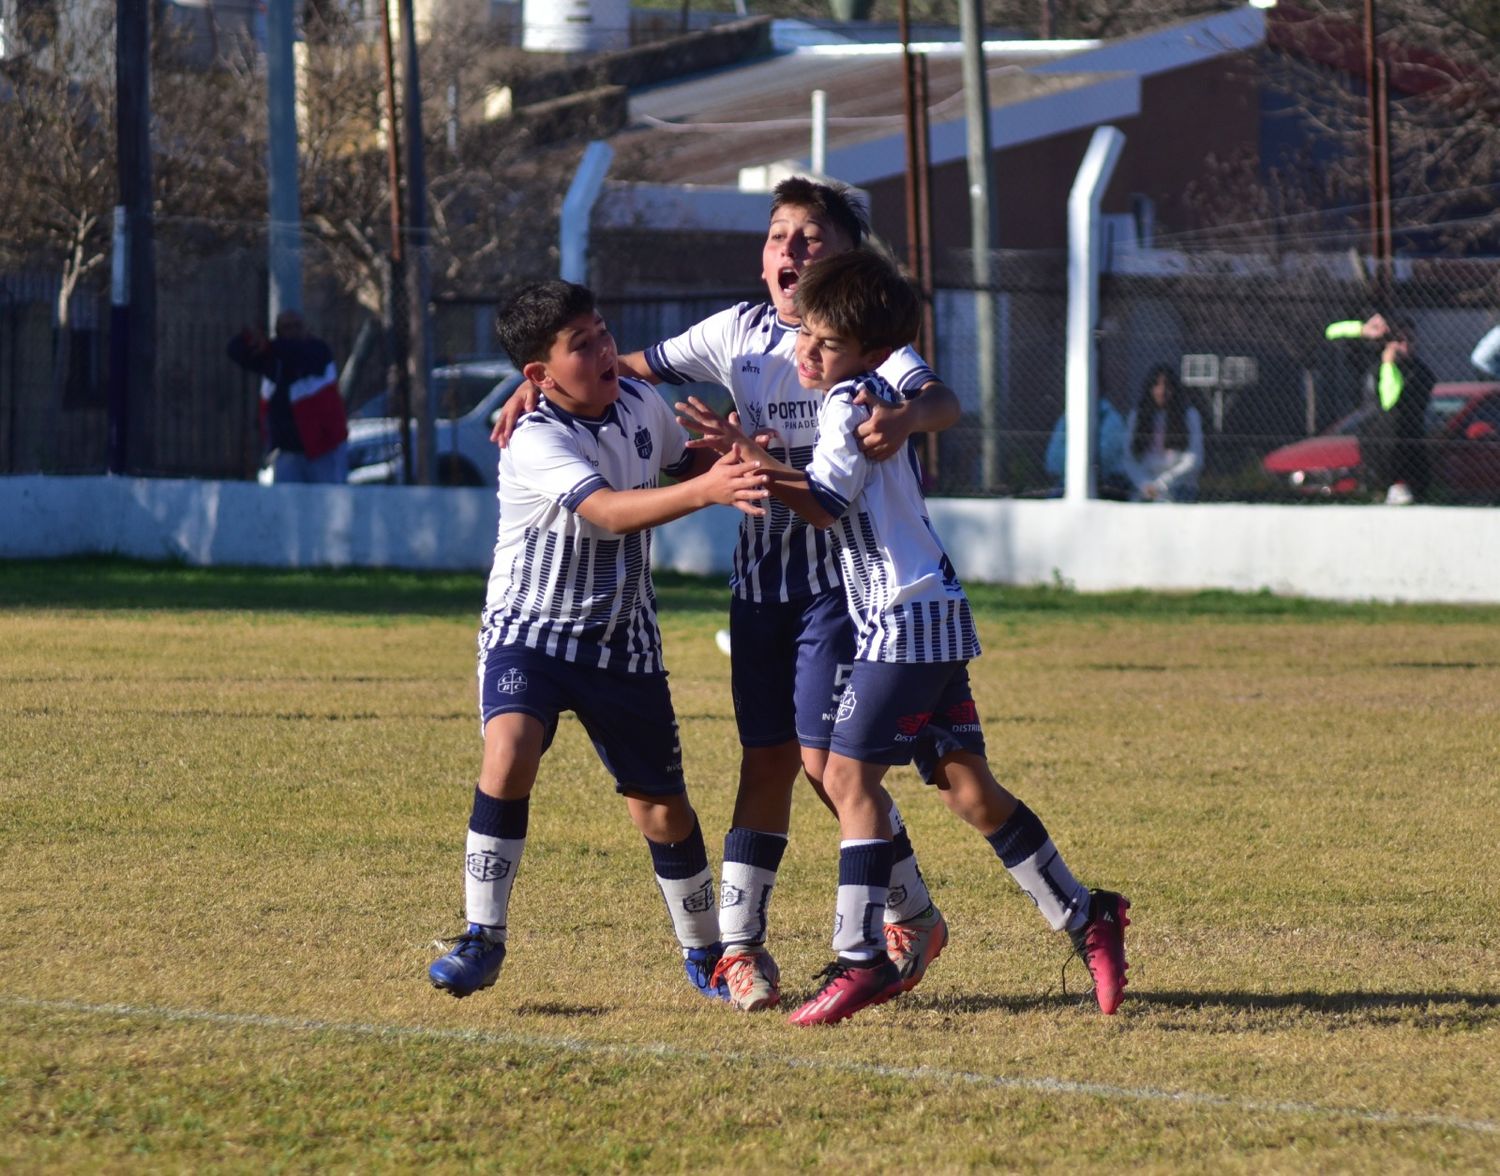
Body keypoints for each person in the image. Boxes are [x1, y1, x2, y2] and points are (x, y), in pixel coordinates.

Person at [493, 178, 962, 1013]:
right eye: (779, 235)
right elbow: (626, 367)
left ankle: (906, 917)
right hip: (760, 586)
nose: (791, 250)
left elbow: (938, 397)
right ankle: (744, 949)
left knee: (827, 768)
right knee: (769, 760)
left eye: (812, 237)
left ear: (847, 260)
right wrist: (540, 385)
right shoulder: (734, 333)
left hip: (840, 587)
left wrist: (909, 420)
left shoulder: (865, 340)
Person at [705, 248, 1130, 1026]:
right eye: (806, 336)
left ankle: (862, 958)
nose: (805, 352)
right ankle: (1086, 913)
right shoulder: (867, 389)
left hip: (903, 621)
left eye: (823, 345)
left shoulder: (846, 404)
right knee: (968, 790)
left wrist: (750, 465)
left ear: (865, 354)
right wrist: (758, 457)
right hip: (930, 613)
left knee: (845, 778)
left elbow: (826, 505)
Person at [426, 279, 769, 1002]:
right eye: (582, 345)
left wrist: (734, 457)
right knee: (510, 749)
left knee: (662, 810)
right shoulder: (534, 436)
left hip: (624, 641)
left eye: (604, 332)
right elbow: (611, 512)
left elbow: (689, 466)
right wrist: (708, 492)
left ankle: (706, 954)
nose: (605, 349)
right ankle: (481, 936)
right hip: (532, 631)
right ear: (539, 377)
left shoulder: (642, 404)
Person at [227, 309, 349, 484]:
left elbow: (295, 354)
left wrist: (270, 346)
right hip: (288, 450)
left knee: (328, 501)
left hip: (324, 448)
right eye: (286, 327)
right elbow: (235, 351)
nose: (292, 331)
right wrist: (248, 338)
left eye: (296, 326)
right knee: (286, 505)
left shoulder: (318, 352)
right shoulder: (273, 360)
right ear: (278, 331)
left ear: (306, 329)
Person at [1325, 313, 1434, 503]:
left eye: (1411, 340)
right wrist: (1361, 330)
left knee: (1391, 422)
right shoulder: (1371, 361)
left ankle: (1396, 486)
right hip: (1373, 445)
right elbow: (1330, 333)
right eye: (1399, 340)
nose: (1406, 346)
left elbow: (1389, 401)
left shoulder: (1420, 373)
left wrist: (1389, 365)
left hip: (1404, 452)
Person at [1121, 365, 1204, 502]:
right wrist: (1144, 484)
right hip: (1144, 488)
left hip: (1177, 487)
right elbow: (1128, 459)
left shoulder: (1189, 415)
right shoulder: (1137, 416)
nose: (1162, 391)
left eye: (1167, 386)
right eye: (1156, 385)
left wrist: (1161, 484)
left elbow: (1194, 460)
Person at [1043, 396, 1129, 498]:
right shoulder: (1068, 417)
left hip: (1107, 485)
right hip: (1068, 483)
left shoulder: (1111, 419)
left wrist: (1074, 462)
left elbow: (1104, 458)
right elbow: (1052, 459)